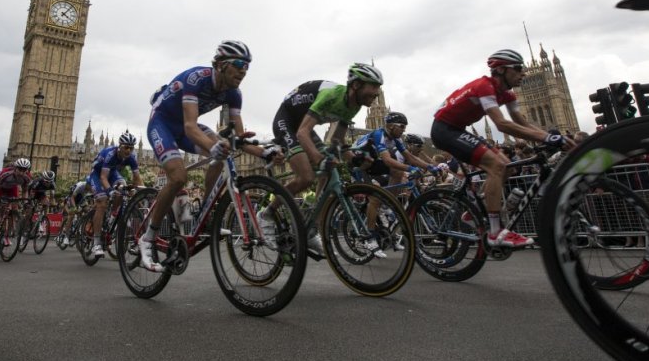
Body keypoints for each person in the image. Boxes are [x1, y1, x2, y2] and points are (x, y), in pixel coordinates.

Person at [139, 40, 275, 272]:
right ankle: (148, 238)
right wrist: (213, 147)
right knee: (179, 177)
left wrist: (265, 152)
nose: (244, 70)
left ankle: (206, 213)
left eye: (248, 66)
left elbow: (238, 139)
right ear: (221, 65)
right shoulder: (196, 79)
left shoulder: (234, 94)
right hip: (163, 124)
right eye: (239, 64)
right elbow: (191, 127)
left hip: (184, 128)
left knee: (223, 152)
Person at [431, 49, 574, 248]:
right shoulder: (485, 86)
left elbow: (521, 122)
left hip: (458, 129)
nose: (522, 73)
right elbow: (502, 125)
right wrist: (547, 136)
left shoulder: (507, 94)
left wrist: (553, 136)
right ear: (501, 70)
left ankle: (474, 210)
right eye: (518, 69)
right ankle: (495, 232)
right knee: (497, 165)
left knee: (509, 166)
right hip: (444, 130)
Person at [260, 62, 385, 257]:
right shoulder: (332, 95)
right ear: (357, 85)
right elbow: (302, 133)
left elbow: (337, 141)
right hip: (289, 121)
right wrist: (318, 158)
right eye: (373, 87)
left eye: (379, 89)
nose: (376, 93)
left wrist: (354, 158)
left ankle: (310, 226)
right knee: (307, 177)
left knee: (328, 168)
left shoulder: (355, 106)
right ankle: (267, 213)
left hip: (304, 124)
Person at [352, 112, 438, 256]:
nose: (404, 130)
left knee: (396, 172)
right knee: (375, 198)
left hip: (371, 163)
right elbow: (387, 160)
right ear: (391, 126)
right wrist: (410, 168)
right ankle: (369, 236)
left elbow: (409, 157)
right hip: (359, 166)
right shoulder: (380, 134)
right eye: (402, 127)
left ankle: (387, 203)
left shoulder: (395, 139)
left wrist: (430, 167)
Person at [86, 132, 144, 257]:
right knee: (102, 201)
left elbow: (137, 178)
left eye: (131, 148)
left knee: (122, 186)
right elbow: (103, 177)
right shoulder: (110, 155)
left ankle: (113, 216)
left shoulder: (131, 157)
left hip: (112, 173)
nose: (129, 150)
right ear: (120, 146)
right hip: (97, 174)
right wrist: (110, 191)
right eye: (126, 147)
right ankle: (96, 243)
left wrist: (143, 192)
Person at [0, 158, 33, 245]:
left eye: (24, 170)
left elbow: (25, 191)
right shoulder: (5, 173)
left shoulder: (27, 177)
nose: (22, 172)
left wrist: (25, 202)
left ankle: (5, 235)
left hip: (12, 189)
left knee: (13, 209)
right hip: (1, 189)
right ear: (15, 168)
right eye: (20, 169)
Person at [23, 170, 57, 235]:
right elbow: (31, 194)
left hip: (41, 193)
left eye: (50, 182)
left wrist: (53, 204)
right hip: (32, 191)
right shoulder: (37, 182)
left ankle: (42, 219)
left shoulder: (52, 184)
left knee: (46, 202)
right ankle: (26, 228)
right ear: (43, 179)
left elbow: (52, 196)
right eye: (46, 181)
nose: (48, 183)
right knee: (29, 211)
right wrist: (32, 204)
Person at [60, 180, 92, 246]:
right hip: (72, 198)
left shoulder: (92, 188)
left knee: (88, 211)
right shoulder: (80, 186)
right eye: (90, 186)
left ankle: (81, 227)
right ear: (87, 184)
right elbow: (72, 197)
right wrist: (74, 208)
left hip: (81, 199)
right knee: (71, 214)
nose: (91, 188)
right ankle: (66, 236)